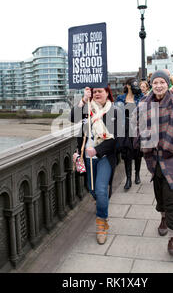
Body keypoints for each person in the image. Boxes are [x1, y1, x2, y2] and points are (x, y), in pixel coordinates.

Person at [132, 70, 173, 259]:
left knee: (171, 193)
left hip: (172, 153)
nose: (158, 85)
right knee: (159, 189)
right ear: (151, 84)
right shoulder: (144, 103)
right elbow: (134, 124)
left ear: (167, 84)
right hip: (152, 155)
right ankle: (162, 217)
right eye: (155, 82)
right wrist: (137, 142)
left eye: (162, 82)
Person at [70, 85, 118, 244]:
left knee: (101, 189)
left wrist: (97, 150)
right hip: (88, 158)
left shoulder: (114, 112)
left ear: (107, 93)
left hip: (104, 156)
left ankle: (101, 224)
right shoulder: (86, 109)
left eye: (100, 91)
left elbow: (116, 140)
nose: (97, 94)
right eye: (94, 91)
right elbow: (73, 117)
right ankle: (101, 205)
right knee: (92, 189)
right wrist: (83, 100)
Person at [115, 78, 144, 190]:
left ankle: (137, 174)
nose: (135, 86)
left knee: (138, 153)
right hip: (125, 128)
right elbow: (117, 114)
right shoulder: (120, 98)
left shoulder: (140, 97)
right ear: (127, 85)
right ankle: (128, 179)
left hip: (137, 127)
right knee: (127, 154)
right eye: (133, 84)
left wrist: (139, 92)